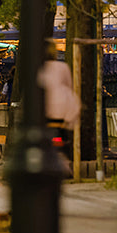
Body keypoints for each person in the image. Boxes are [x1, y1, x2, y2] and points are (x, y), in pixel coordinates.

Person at [38, 41, 80, 175]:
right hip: (63, 107)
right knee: (63, 134)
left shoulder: (38, 68)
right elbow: (70, 85)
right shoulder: (62, 67)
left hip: (45, 106)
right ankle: (65, 162)